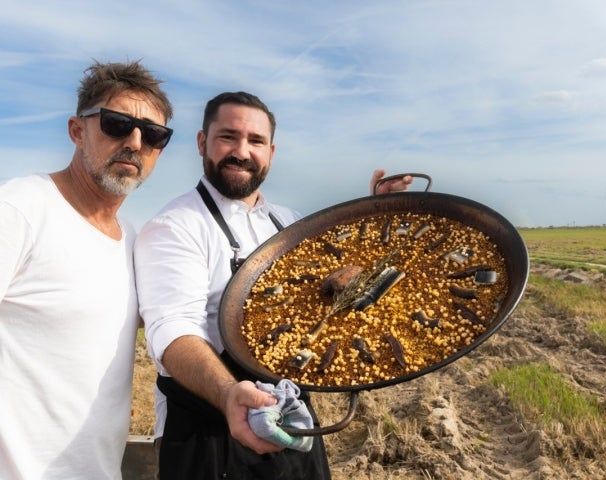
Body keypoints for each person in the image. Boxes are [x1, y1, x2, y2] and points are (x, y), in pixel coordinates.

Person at [134, 91, 412, 479]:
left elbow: (340, 286)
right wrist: (230, 394)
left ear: (271, 151)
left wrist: (376, 211)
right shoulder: (176, 226)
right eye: (228, 137)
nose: (242, 151)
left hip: (292, 419)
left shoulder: (287, 223)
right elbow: (173, 331)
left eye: (256, 141)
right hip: (210, 434)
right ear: (202, 143)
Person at [0, 60, 174, 479]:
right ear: (78, 131)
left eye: (154, 134)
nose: (135, 141)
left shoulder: (133, 241)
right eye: (117, 124)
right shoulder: (22, 209)